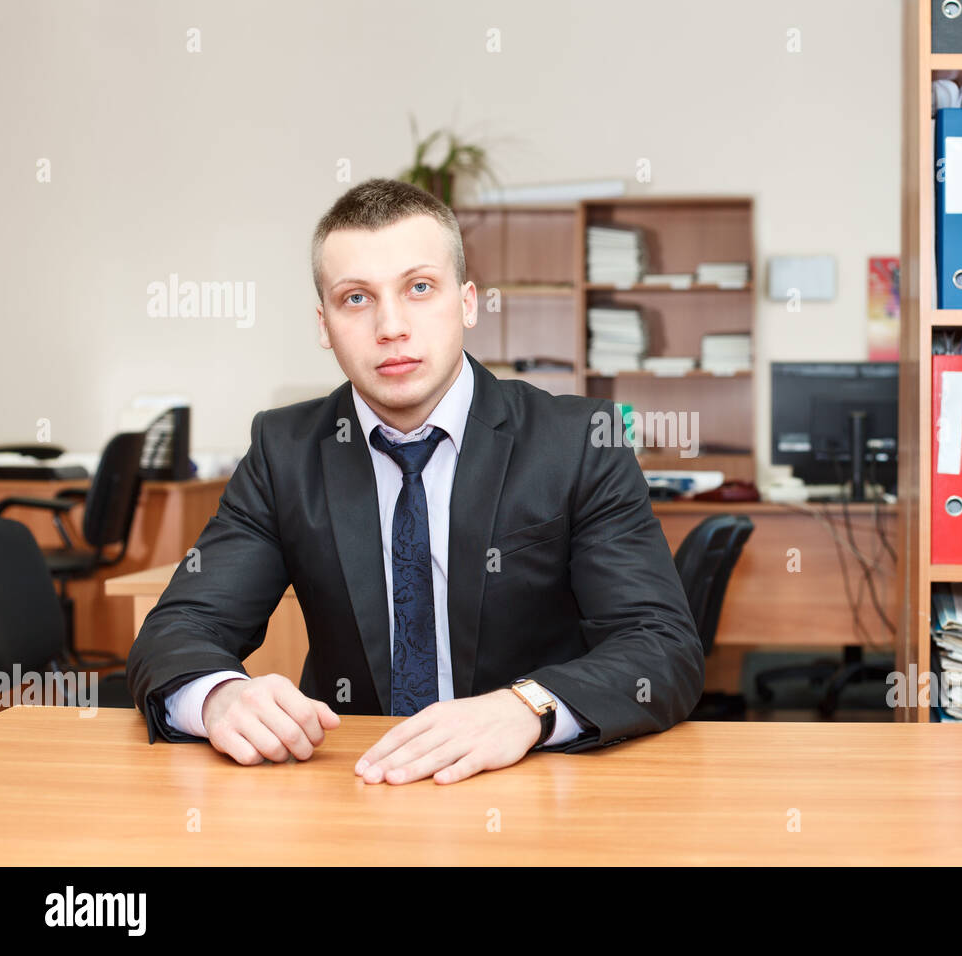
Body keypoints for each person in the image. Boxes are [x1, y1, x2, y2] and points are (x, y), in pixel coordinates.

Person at [126, 178, 704, 785]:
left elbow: (660, 643)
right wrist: (217, 697)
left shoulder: (577, 441)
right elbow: (179, 628)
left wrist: (527, 708)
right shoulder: (284, 452)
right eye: (356, 299)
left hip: (531, 785)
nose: (391, 325)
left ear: (468, 302)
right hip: (352, 787)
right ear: (324, 324)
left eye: (419, 288)